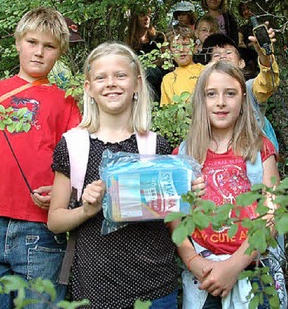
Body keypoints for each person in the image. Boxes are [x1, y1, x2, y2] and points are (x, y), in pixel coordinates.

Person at [47, 42, 204, 308]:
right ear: (89, 88)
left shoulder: (155, 145)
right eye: (100, 77)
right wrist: (86, 210)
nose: (111, 83)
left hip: (157, 287)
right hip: (95, 289)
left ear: (137, 84)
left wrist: (190, 198)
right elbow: (55, 220)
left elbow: (171, 218)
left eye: (120, 75)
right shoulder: (73, 145)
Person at [0, 7, 81, 308]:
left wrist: (62, 193)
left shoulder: (66, 101)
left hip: (40, 228)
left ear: (60, 52)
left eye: (49, 46)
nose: (39, 52)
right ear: (17, 43)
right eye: (32, 42)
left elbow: (77, 161)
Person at [173, 62, 287, 309]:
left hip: (254, 267)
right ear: (200, 100)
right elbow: (175, 216)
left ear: (243, 99)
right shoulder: (186, 153)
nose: (221, 102)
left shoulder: (258, 148)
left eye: (230, 93)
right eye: (211, 94)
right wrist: (192, 260)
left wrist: (234, 265)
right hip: (204, 273)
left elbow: (272, 213)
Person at [203, 33, 281, 151]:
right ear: (209, 65)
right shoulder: (204, 93)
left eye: (229, 53)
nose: (223, 56)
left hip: (254, 156)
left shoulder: (249, 88)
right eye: (217, 54)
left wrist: (265, 57)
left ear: (241, 63)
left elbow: (267, 82)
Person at [125, 7, 168, 103]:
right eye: (142, 15)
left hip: (158, 78)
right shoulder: (130, 44)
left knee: (150, 72)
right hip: (139, 80)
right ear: (135, 18)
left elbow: (165, 60)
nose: (146, 18)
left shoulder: (158, 38)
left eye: (149, 15)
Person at [160, 26, 205, 105]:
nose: (181, 50)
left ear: (195, 48)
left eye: (185, 44)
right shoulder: (168, 79)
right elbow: (166, 110)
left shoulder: (204, 71)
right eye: (175, 46)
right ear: (169, 51)